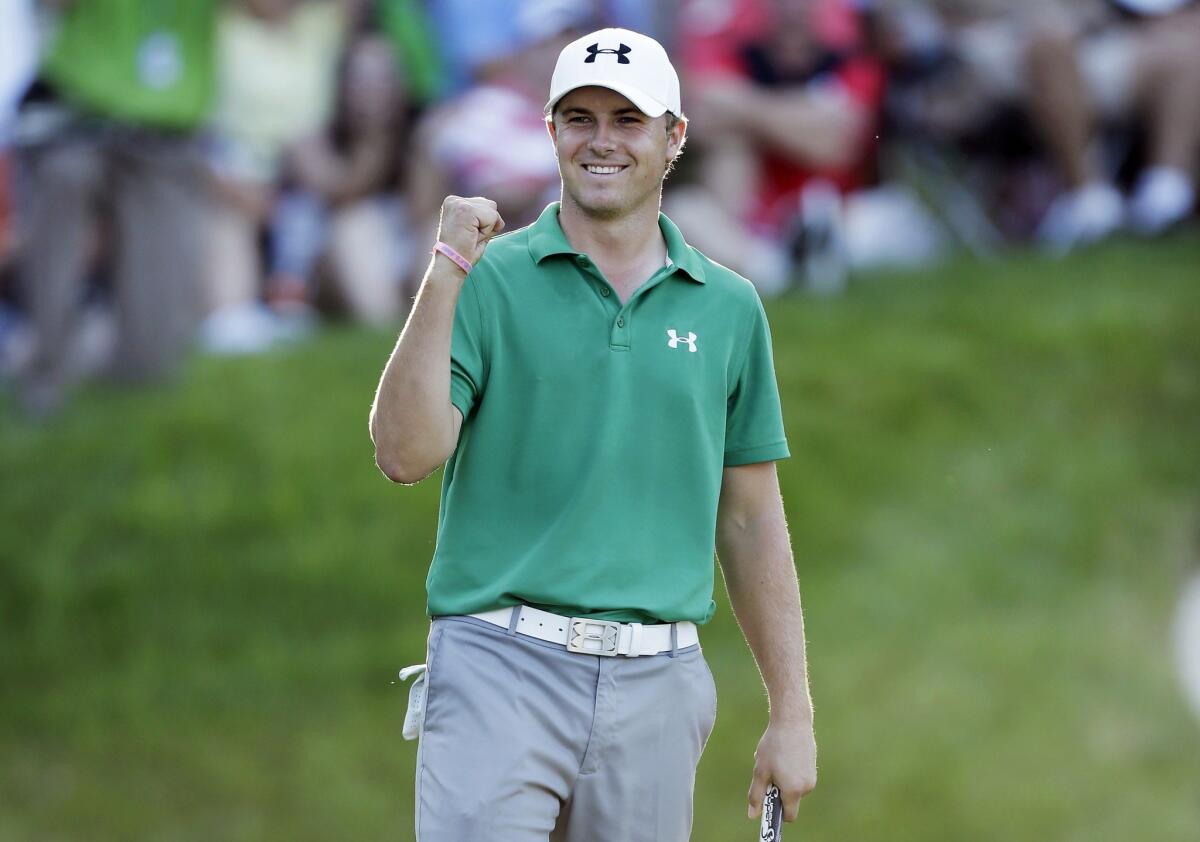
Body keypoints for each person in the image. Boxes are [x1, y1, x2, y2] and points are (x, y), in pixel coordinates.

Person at [370, 26, 817, 841]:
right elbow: (404, 452)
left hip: (659, 681)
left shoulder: (727, 308)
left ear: (673, 137)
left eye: (628, 119)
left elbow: (752, 520)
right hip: (498, 662)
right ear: (550, 132)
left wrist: (792, 714)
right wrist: (444, 268)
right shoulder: (489, 278)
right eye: (579, 118)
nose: (601, 140)